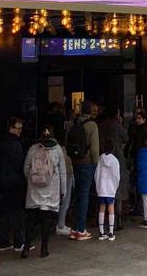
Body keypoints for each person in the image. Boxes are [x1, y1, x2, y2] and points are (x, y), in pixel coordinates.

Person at [22, 126, 65, 259]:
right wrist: (63, 190)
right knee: (46, 221)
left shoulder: (33, 149)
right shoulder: (57, 149)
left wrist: (31, 180)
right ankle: (44, 249)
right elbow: (62, 171)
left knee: (30, 221)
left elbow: (26, 168)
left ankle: (27, 247)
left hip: (34, 192)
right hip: (50, 192)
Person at [66, 101, 98, 241]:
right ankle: (81, 229)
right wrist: (96, 165)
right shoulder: (92, 125)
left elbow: (67, 142)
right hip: (86, 163)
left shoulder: (73, 124)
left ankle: (74, 228)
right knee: (84, 195)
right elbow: (95, 149)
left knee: (77, 195)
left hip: (75, 162)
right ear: (90, 111)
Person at [0, 118, 25, 252]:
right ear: (11, 128)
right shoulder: (15, 144)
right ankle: (18, 242)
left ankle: (4, 241)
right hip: (14, 182)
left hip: (2, 182)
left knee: (6, 212)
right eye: (18, 128)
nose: (20, 131)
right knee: (17, 213)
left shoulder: (0, 142)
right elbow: (19, 163)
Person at [98, 106, 128, 229]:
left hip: (104, 157)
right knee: (117, 189)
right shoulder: (117, 124)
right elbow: (125, 138)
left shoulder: (101, 125)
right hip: (117, 158)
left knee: (104, 188)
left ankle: (101, 219)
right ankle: (118, 218)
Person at [125, 109, 147, 215]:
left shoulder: (143, 131)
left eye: (139, 118)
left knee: (139, 184)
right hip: (139, 159)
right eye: (136, 118)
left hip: (141, 159)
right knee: (137, 184)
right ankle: (139, 206)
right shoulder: (140, 130)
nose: (137, 120)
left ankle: (140, 207)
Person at [94, 139, 120, 242]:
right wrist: (114, 187)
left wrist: (98, 187)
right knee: (111, 209)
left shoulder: (100, 158)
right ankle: (111, 232)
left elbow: (97, 174)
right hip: (110, 188)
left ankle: (101, 232)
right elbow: (116, 176)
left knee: (101, 208)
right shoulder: (115, 160)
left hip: (101, 188)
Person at [54, 133, 73, 237]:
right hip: (65, 176)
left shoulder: (36, 148)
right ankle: (60, 225)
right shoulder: (61, 149)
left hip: (52, 178)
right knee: (65, 200)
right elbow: (65, 167)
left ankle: (59, 224)